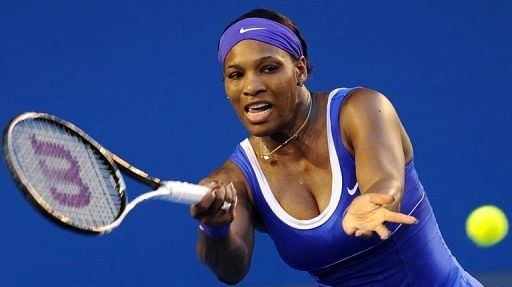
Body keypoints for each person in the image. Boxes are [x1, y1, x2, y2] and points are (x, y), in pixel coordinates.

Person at [190, 8, 483, 287]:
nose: (251, 86)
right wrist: (214, 229)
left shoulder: (360, 109)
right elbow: (231, 270)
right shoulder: (235, 180)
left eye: (268, 68)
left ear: (299, 69)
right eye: (235, 75)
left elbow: (386, 179)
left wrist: (380, 199)